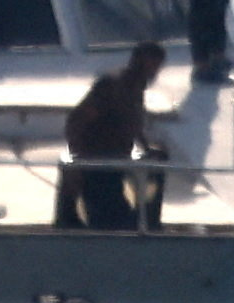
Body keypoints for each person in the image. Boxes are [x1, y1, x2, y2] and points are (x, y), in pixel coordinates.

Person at [55, 40, 169, 232]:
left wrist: (147, 149)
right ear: (138, 61)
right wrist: (78, 159)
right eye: (151, 64)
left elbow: (132, 123)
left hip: (116, 159)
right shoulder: (113, 85)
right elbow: (77, 120)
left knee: (155, 168)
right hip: (96, 158)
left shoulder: (136, 89)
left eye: (157, 65)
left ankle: (146, 223)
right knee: (108, 217)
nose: (154, 71)